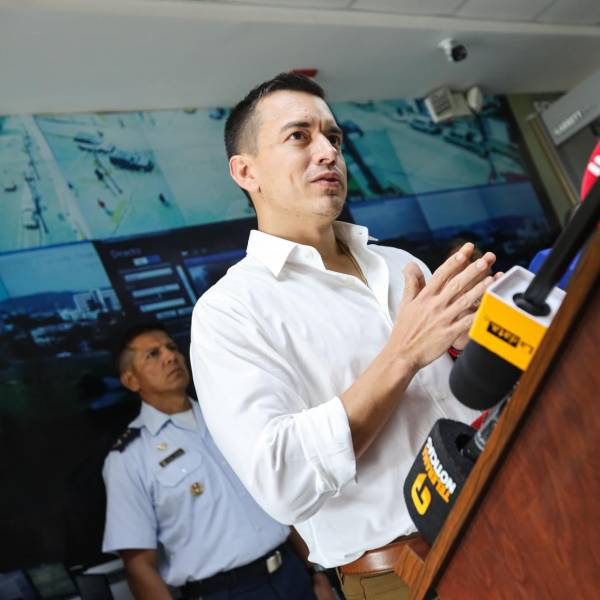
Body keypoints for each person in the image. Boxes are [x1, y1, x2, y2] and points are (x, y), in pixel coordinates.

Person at [190, 73, 498, 600]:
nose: (328, 152)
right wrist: (402, 356)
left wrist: (481, 347)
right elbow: (282, 480)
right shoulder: (229, 312)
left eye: (333, 137)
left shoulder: (398, 264)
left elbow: (458, 396)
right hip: (404, 573)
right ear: (245, 171)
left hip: (509, 507)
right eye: (299, 136)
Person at [102, 322, 335, 600]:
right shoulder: (128, 459)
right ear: (131, 380)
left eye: (172, 347)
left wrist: (315, 572)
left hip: (292, 574)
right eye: (153, 354)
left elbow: (278, 495)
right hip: (225, 591)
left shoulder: (228, 417)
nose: (170, 356)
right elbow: (139, 564)